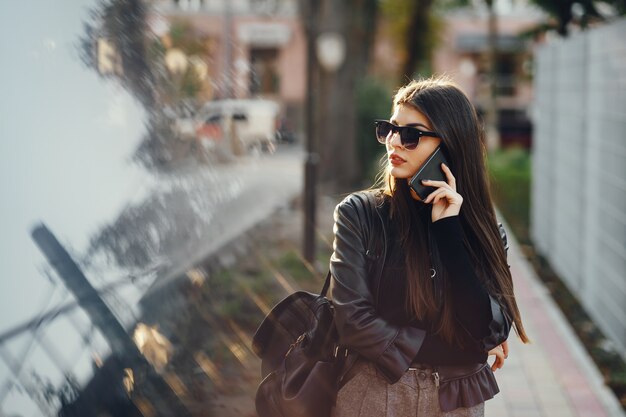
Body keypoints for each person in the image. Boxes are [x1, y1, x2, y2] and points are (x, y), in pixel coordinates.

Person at [328, 76, 530, 417]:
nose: (393, 142)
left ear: (449, 144)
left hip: (454, 401)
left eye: (410, 135)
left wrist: (448, 231)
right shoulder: (360, 215)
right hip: (375, 396)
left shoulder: (484, 231)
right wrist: (459, 350)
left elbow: (485, 328)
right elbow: (352, 320)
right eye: (390, 129)